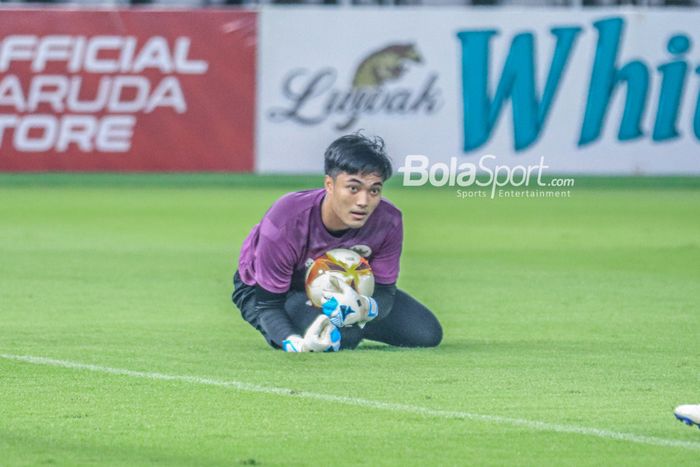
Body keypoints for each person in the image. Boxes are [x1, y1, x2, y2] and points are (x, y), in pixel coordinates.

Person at [232, 133, 442, 352]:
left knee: (426, 333)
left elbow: (384, 292)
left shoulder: (388, 221)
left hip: (345, 286)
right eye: (353, 188)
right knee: (345, 336)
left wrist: (365, 309)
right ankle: (336, 324)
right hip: (266, 291)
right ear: (329, 185)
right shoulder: (287, 219)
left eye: (374, 190)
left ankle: (344, 321)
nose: (363, 202)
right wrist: (292, 341)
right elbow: (268, 305)